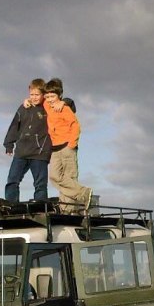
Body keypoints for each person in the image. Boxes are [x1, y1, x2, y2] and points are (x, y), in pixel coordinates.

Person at [43, 78, 92, 213]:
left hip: (67, 146)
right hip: (55, 148)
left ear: (59, 96)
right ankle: (83, 193)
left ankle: (67, 209)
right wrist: (28, 101)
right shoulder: (47, 105)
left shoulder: (64, 108)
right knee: (54, 176)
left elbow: (75, 125)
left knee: (70, 177)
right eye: (47, 97)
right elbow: (38, 96)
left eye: (52, 96)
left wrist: (72, 144)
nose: (50, 99)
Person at [3, 78, 51, 203]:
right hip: (21, 152)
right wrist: (9, 144)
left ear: (43, 94)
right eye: (32, 94)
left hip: (40, 153)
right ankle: (11, 206)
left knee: (40, 184)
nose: (34, 97)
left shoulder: (48, 108)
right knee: (12, 180)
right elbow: (14, 126)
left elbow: (64, 102)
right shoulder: (24, 108)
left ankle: (41, 207)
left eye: (37, 94)